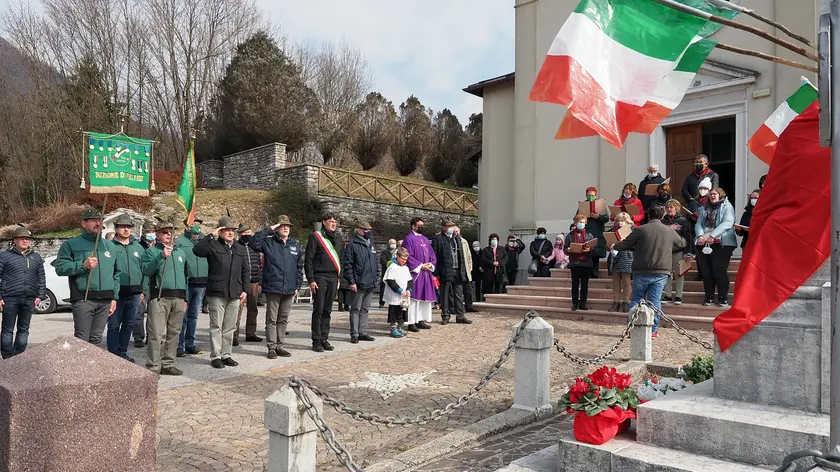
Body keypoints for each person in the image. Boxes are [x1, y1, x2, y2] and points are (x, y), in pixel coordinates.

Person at [611, 205, 686, 336]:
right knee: (654, 301)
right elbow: (681, 243)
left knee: (636, 300)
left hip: (641, 270)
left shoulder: (640, 229)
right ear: (662, 216)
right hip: (661, 270)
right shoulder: (669, 231)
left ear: (649, 215)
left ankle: (632, 328)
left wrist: (614, 245)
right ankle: (653, 330)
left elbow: (626, 244)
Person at [53, 208, 119, 345]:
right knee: (82, 339)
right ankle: (77, 367)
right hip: (83, 298)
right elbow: (60, 268)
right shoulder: (70, 244)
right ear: (83, 223)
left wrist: (114, 297)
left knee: (96, 339)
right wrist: (82, 265)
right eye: (94, 220)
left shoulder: (110, 246)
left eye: (100, 220)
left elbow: (116, 273)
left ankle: (92, 367)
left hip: (105, 300)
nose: (98, 223)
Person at [193, 216, 249, 368]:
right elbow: (197, 250)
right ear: (220, 231)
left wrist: (245, 289)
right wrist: (211, 234)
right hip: (217, 291)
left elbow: (245, 270)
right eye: (226, 230)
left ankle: (226, 354)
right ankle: (216, 356)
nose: (230, 233)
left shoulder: (240, 248)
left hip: (235, 292)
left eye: (232, 230)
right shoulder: (213, 245)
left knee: (230, 326)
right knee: (216, 325)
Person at [141, 219, 189, 376]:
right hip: (160, 297)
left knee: (174, 332)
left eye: (171, 232)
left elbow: (185, 276)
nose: (169, 234)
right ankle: (153, 366)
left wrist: (186, 297)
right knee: (155, 334)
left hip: (179, 297)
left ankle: (168, 363)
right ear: (158, 235)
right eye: (165, 232)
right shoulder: (151, 252)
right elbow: (146, 271)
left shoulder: (180, 252)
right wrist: (161, 256)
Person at [250, 215, 302, 358]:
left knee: (283, 318)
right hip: (273, 286)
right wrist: (269, 229)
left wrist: (297, 285)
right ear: (277, 228)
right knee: (272, 319)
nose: (285, 228)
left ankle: (280, 345)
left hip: (289, 288)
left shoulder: (294, 244)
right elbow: (253, 243)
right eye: (282, 226)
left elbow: (299, 266)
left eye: (287, 226)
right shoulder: (268, 242)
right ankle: (271, 347)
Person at [0, 226, 45, 358]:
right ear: (14, 240)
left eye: (27, 238)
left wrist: (40, 295)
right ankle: (8, 358)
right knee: (7, 330)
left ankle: (19, 357)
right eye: (22, 238)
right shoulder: (4, 256)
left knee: (24, 329)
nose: (25, 241)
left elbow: (41, 277)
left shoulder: (36, 257)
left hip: (29, 299)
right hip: (10, 298)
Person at [108, 214, 145, 362]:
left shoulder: (139, 248)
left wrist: (144, 290)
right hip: (116, 292)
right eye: (123, 226)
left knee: (129, 324)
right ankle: (112, 353)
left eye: (129, 227)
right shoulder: (109, 246)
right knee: (114, 324)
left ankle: (122, 351)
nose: (126, 229)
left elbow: (145, 270)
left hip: (135, 292)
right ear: (116, 228)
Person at [304, 212, 343, 352]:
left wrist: (339, 277)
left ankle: (324, 338)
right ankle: (316, 340)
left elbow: (341, 259)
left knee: (327, 310)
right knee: (318, 310)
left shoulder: (338, 238)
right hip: (320, 276)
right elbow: (308, 259)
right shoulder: (316, 237)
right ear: (324, 222)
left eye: (335, 222)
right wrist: (311, 279)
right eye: (330, 221)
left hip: (333, 277)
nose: (333, 224)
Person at [695, 187, 737, 307]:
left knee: (719, 270)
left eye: (715, 194)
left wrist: (713, 235)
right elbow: (699, 223)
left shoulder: (727, 207)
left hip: (722, 243)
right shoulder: (704, 208)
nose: (712, 196)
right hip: (704, 243)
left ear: (720, 195)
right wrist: (700, 236)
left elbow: (728, 222)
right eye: (711, 194)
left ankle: (723, 298)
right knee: (706, 272)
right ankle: (709, 298)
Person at [342, 219, 379, 343]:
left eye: (369, 230)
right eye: (365, 230)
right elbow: (348, 265)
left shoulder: (370, 244)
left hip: (370, 281)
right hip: (359, 282)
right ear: (359, 230)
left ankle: (363, 332)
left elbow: (375, 263)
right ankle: (355, 333)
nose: (368, 232)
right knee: (355, 309)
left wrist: (376, 277)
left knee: (365, 309)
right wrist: (352, 282)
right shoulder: (353, 245)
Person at [175, 219, 207, 357]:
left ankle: (190, 343)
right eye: (193, 224)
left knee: (194, 316)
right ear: (187, 226)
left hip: (201, 284)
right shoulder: (179, 242)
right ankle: (179, 345)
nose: (196, 227)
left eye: (198, 224)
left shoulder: (204, 240)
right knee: (182, 316)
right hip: (186, 283)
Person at [432, 219, 472, 325]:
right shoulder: (438, 239)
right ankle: (445, 315)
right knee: (445, 294)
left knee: (459, 294)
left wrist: (463, 269)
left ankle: (460, 315)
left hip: (458, 270)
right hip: (445, 271)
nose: (451, 228)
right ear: (443, 227)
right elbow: (434, 257)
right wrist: (436, 273)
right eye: (448, 226)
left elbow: (462, 255)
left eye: (452, 226)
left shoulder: (457, 238)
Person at [402, 217, 436, 332]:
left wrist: (430, 264)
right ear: (413, 226)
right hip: (416, 273)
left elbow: (432, 254)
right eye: (419, 225)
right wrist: (421, 266)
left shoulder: (425, 239)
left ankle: (421, 320)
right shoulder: (409, 239)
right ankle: (411, 322)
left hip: (426, 274)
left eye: (423, 225)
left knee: (424, 298)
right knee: (414, 298)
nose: (422, 227)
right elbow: (408, 256)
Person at [234, 225, 263, 345]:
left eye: (249, 232)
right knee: (237, 310)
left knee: (253, 309)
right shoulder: (236, 246)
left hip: (254, 282)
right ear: (239, 234)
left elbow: (260, 265)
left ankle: (251, 333)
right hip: (240, 282)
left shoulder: (255, 247)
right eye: (245, 232)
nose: (248, 234)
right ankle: (233, 334)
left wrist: (260, 282)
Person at [661, 200, 692, 305]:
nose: (669, 209)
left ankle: (678, 296)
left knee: (679, 273)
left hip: (678, 250)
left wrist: (687, 252)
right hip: (666, 251)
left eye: (671, 207)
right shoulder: (662, 221)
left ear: (676, 208)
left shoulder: (683, 220)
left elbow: (687, 236)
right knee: (666, 273)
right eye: (667, 207)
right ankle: (668, 294)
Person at [564, 215, 595, 311]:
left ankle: (583, 303)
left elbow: (594, 249)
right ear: (575, 223)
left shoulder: (589, 235)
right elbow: (565, 249)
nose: (581, 224)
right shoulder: (570, 235)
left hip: (586, 262)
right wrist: (568, 249)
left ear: (585, 223)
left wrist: (589, 250)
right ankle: (574, 303)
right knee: (575, 284)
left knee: (585, 284)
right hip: (575, 262)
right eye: (579, 222)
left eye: (582, 222)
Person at [576, 187, 609, 278]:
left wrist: (598, 216)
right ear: (586, 195)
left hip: (597, 232)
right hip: (586, 232)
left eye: (592, 195)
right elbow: (576, 218)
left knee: (595, 253)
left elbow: (606, 218)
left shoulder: (600, 205)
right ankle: (586, 273)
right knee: (586, 252)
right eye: (589, 195)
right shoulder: (582, 206)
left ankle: (594, 273)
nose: (590, 197)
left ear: (595, 195)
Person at [134, 222, 157, 348]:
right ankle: (138, 337)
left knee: (153, 314)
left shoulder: (158, 248)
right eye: (149, 232)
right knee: (139, 313)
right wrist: (142, 289)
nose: (151, 234)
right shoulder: (139, 248)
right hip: (142, 284)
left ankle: (151, 336)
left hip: (154, 285)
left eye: (153, 231)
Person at [382, 247, 412, 338]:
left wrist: (408, 290)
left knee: (402, 311)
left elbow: (410, 280)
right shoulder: (392, 267)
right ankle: (393, 328)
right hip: (395, 294)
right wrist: (400, 290)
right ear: (397, 256)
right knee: (394, 311)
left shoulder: (405, 268)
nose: (404, 261)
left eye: (405, 259)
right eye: (402, 258)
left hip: (404, 295)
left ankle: (400, 326)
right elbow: (390, 281)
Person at [607, 213, 634, 313]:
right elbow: (607, 245)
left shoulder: (632, 231)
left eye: (622, 221)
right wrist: (609, 245)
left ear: (627, 221)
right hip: (614, 258)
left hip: (626, 257)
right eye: (618, 221)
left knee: (626, 281)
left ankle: (626, 302)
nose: (619, 223)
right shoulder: (613, 231)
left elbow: (635, 246)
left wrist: (624, 242)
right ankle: (616, 302)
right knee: (616, 282)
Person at [454, 227, 478, 312]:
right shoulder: (451, 242)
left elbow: (468, 255)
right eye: (454, 231)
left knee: (468, 290)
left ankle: (469, 306)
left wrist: (470, 266)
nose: (456, 232)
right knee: (458, 291)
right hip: (457, 269)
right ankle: (458, 308)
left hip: (465, 268)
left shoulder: (464, 241)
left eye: (457, 231)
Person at [379, 239, 398, 308]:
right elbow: (383, 261)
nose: (393, 244)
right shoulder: (384, 252)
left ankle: (393, 302)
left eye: (394, 243)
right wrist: (390, 263)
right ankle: (381, 302)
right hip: (386, 272)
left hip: (395, 272)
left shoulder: (397, 252)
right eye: (392, 243)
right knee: (383, 288)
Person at [337, 239, 352, 312]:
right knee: (344, 290)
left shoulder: (341, 252)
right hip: (344, 273)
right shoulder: (345, 252)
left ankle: (344, 305)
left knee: (345, 291)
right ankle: (344, 305)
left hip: (344, 273)